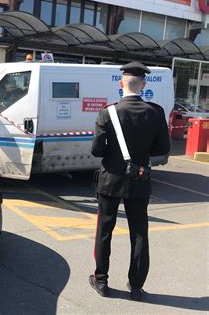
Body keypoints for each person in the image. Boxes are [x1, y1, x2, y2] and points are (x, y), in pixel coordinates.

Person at [89, 62, 170, 300]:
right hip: (140, 179)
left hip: (110, 180)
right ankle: (136, 286)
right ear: (143, 85)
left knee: (104, 231)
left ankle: (101, 281)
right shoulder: (155, 112)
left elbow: (96, 150)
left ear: (120, 83)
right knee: (139, 233)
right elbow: (162, 148)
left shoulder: (108, 112)